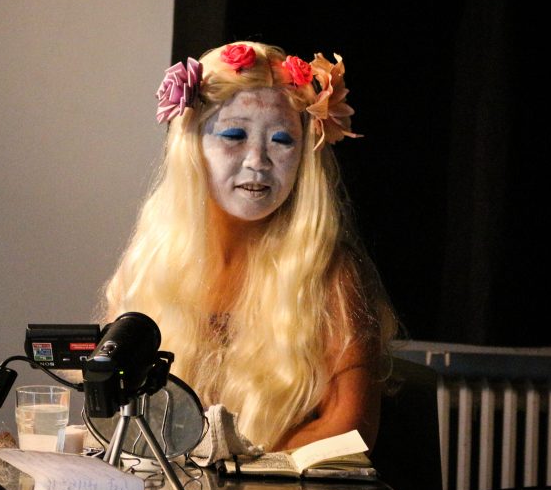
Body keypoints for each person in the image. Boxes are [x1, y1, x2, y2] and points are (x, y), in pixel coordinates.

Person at [101, 41, 396, 452]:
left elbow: (350, 428)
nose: (257, 160)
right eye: (234, 135)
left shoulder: (330, 273)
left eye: (282, 140)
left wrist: (235, 465)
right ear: (192, 145)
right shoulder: (150, 263)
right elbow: (113, 408)